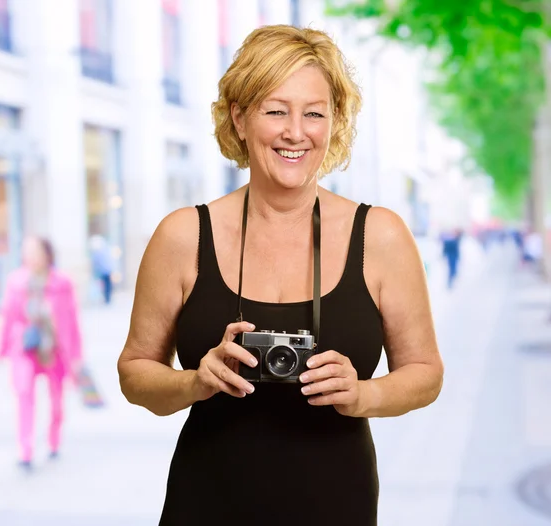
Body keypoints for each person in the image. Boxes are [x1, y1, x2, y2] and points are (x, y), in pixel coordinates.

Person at [117, 25, 444, 526]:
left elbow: (425, 373)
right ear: (240, 118)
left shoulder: (380, 235)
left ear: (333, 123)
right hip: (206, 503)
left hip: (336, 504)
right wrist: (195, 382)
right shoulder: (183, 235)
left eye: (315, 113)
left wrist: (364, 394)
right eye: (276, 110)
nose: (297, 131)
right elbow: (135, 372)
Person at [0, 236, 82, 470]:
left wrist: (76, 354)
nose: (30, 256)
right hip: (24, 347)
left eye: (34, 251)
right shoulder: (16, 281)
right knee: (24, 397)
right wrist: (2, 348)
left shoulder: (62, 282)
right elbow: (8, 316)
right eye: (26, 251)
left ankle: (54, 442)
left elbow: (72, 319)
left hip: (54, 348)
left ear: (47, 254)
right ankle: (25, 450)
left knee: (56, 400)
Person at [89, 234, 114, 304]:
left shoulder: (97, 252)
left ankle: (107, 299)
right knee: (107, 285)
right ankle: (107, 299)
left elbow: (95, 263)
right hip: (107, 270)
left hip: (103, 271)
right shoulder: (106, 250)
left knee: (105, 285)